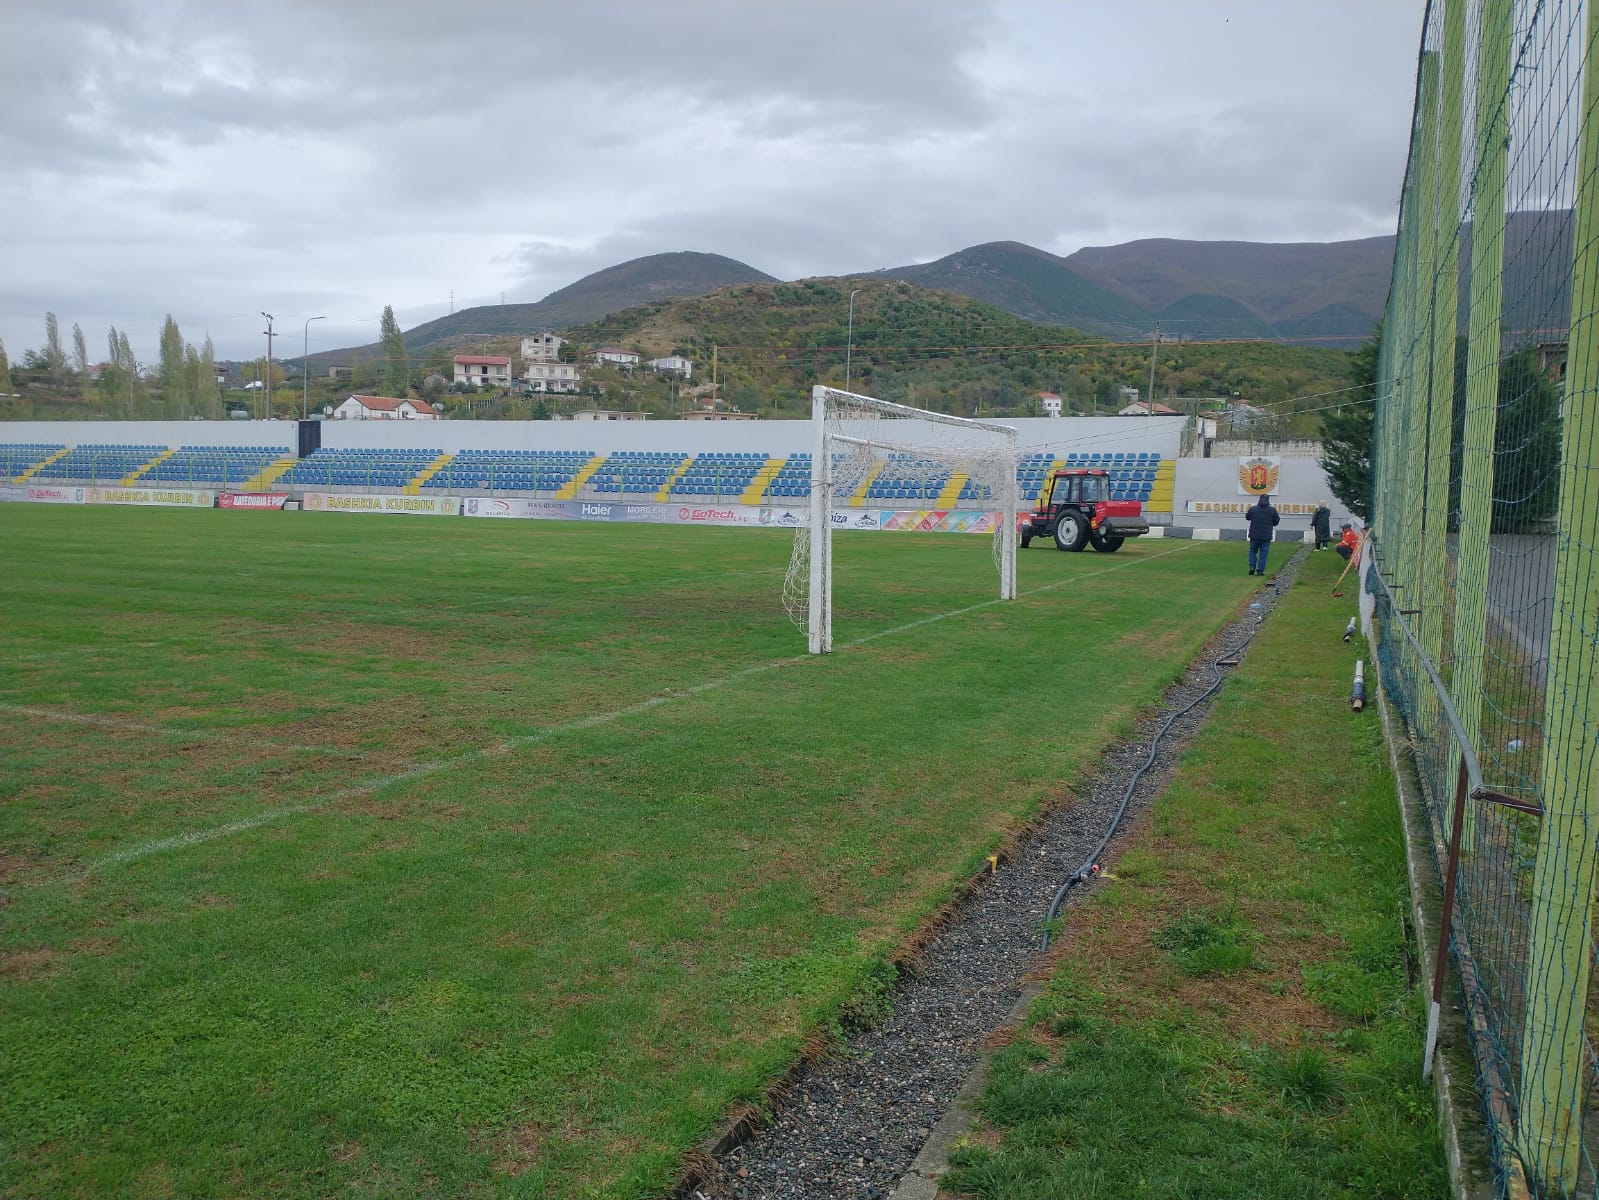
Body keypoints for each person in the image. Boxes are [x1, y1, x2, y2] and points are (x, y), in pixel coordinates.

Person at [1244, 493, 1280, 576]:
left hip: (1254, 535)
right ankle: (1260, 571)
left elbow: (1247, 517)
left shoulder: (1253, 509)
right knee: (1263, 554)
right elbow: (1276, 522)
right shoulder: (1272, 510)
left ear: (1259, 499)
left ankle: (1252, 566)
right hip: (1266, 536)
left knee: (1252, 551)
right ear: (1268, 500)